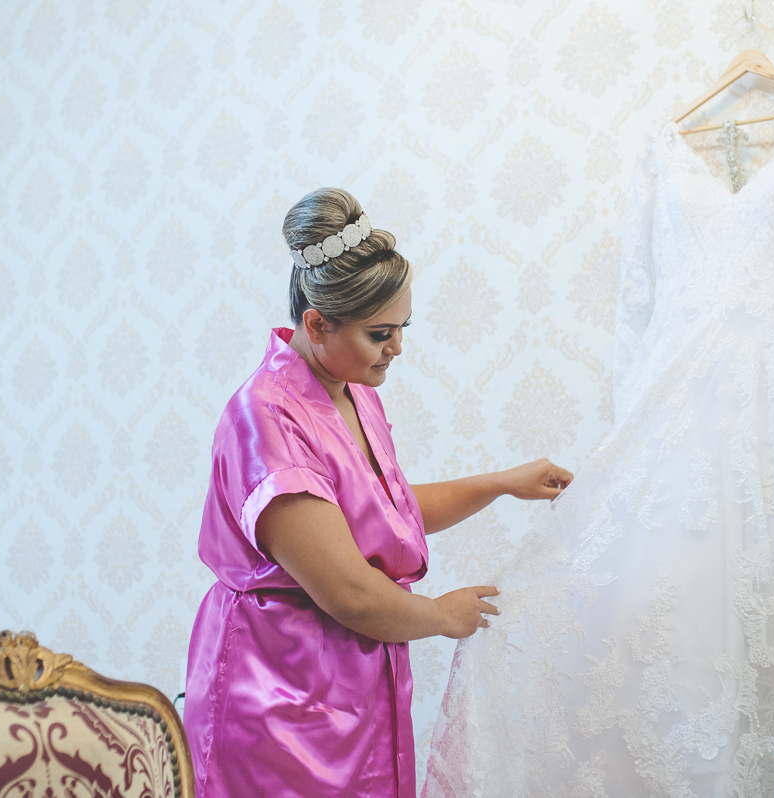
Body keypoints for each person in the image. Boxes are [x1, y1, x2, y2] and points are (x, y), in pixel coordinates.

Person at [423, 88, 774, 796]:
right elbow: (635, 304)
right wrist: (629, 427)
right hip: (679, 427)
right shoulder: (657, 144)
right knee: (670, 646)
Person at [184, 187, 573, 798]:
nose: (398, 348)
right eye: (380, 333)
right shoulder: (264, 418)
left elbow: (381, 515)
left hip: (353, 680)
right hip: (279, 693)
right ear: (317, 323)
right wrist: (442, 616)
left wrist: (500, 484)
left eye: (403, 327)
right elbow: (348, 590)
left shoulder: (354, 390)